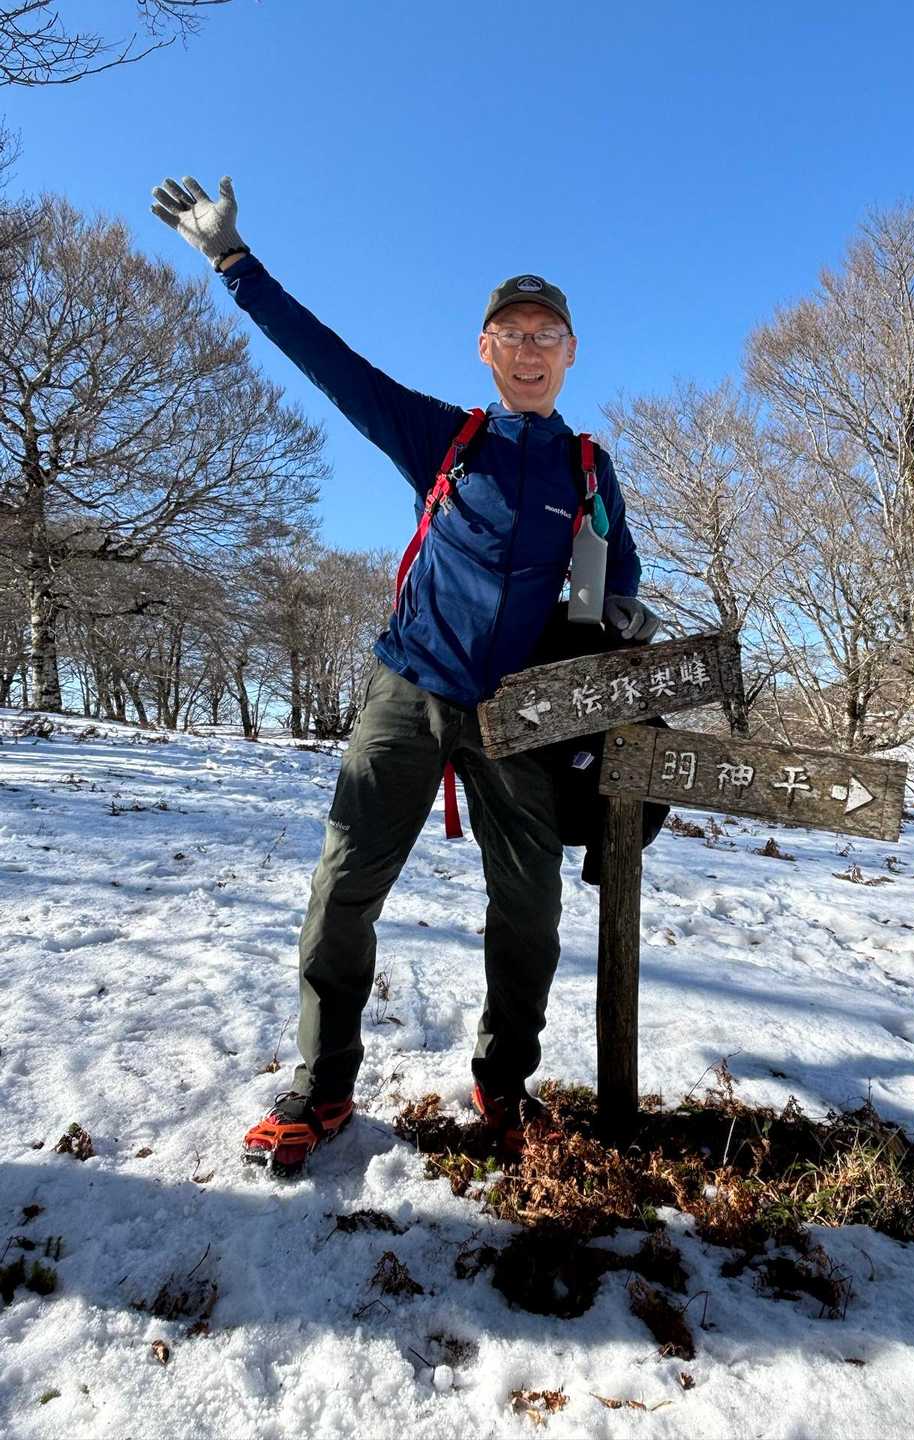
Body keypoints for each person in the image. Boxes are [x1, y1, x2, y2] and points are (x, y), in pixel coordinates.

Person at [150, 175, 658, 1175]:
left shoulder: (588, 468)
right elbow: (334, 367)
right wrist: (235, 265)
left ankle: (504, 1084)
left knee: (530, 905)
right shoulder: (445, 439)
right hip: (408, 687)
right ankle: (322, 1083)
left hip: (516, 714)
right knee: (345, 884)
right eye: (510, 334)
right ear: (485, 349)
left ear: (570, 352)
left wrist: (625, 615)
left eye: (546, 335)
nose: (528, 349)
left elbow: (620, 578)